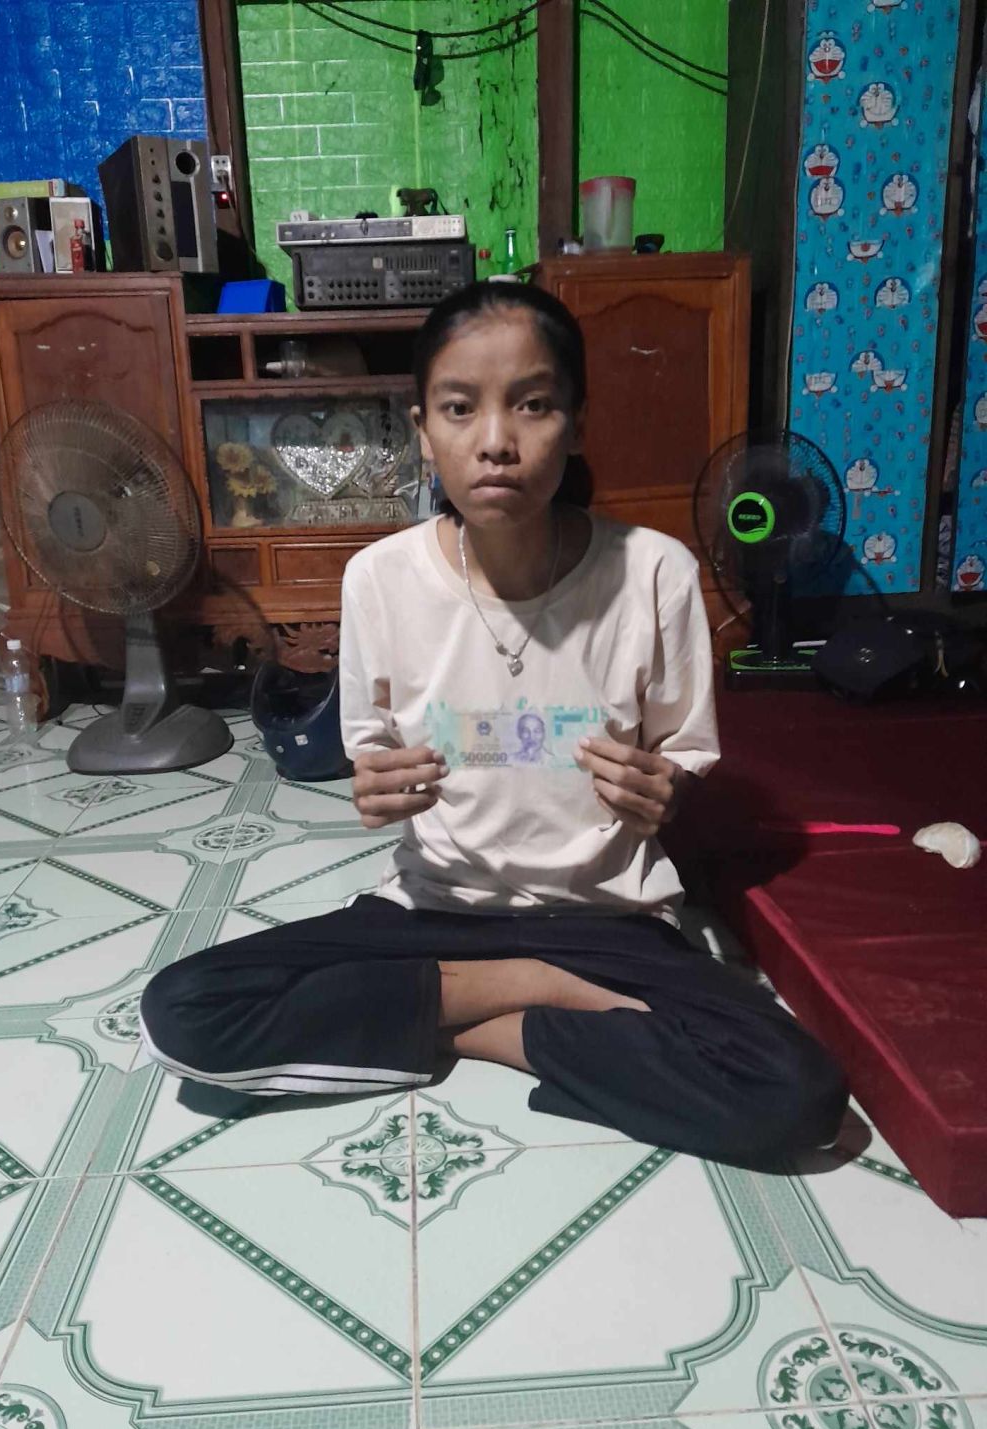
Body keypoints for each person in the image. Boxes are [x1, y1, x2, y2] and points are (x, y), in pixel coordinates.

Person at [139, 282, 848, 1166]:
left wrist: (668, 791)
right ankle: (523, 987)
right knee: (183, 1010)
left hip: (608, 920)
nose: (496, 441)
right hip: (433, 911)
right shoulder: (379, 580)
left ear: (576, 424)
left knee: (798, 1096)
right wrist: (373, 789)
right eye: (459, 408)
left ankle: (478, 1028)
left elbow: (681, 761)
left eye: (533, 404)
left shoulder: (655, 574)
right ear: (421, 429)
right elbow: (374, 755)